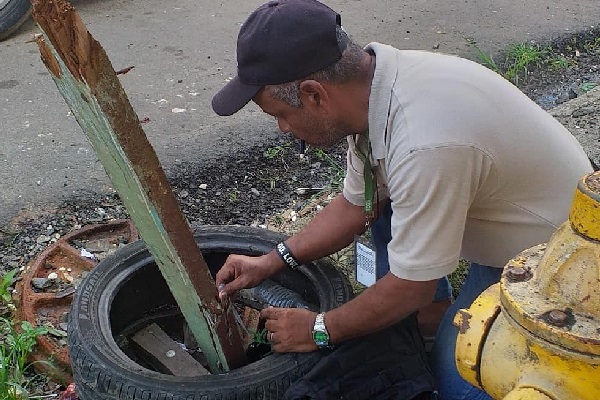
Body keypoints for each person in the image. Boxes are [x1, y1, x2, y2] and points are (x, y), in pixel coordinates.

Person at [211, 0, 593, 398]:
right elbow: (358, 204)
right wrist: (271, 260)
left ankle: (433, 319)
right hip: (505, 213)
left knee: (457, 383)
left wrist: (319, 329)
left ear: (314, 95)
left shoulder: (423, 143)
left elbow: (411, 286)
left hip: (551, 259)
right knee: (384, 203)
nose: (283, 128)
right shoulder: (375, 88)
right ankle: (428, 319)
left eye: (280, 114)